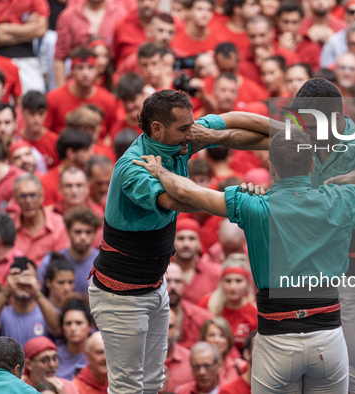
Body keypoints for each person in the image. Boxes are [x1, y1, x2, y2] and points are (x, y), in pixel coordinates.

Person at [135, 77, 355, 393]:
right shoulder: (302, 135)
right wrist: (213, 136)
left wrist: (352, 177)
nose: (297, 126)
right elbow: (252, 134)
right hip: (320, 278)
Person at [88, 89, 276, 394]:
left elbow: (236, 121)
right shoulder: (133, 167)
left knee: (153, 382)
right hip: (120, 295)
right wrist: (242, 203)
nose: (193, 132)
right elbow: (181, 199)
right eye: (185, 128)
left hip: (154, 284)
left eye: (192, 124)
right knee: (127, 387)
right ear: (157, 129)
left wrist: (291, 136)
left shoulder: (180, 136)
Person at [0, 261, 62, 346]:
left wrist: (36, 293)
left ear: (38, 284)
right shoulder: (2, 313)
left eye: (28, 277)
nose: (23, 282)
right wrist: (7, 291)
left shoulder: (46, 312)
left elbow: (58, 328)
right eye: (17, 278)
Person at [0, 0, 48, 93]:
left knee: (36, 96)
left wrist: (4, 27)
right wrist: (28, 29)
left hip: (26, 56)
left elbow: (41, 30)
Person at [44, 46, 117, 136]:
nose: (85, 73)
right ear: (72, 71)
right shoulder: (53, 99)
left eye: (90, 68)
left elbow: (112, 134)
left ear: (97, 70)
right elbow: (45, 133)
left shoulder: (109, 100)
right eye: (80, 68)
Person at [53, 0, 126, 87]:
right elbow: (60, 57)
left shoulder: (119, 15)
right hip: (79, 81)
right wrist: (62, 91)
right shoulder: (69, 16)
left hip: (109, 82)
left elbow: (123, 56)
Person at [197, 254, 257, 351]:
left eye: (238, 281)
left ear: (247, 283)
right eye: (228, 281)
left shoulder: (255, 312)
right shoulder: (205, 303)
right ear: (221, 283)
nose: (233, 287)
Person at [9, 173, 70, 264]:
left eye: (33, 195)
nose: (28, 201)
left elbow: (62, 264)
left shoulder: (59, 225)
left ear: (42, 197)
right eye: (23, 196)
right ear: (16, 199)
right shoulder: (9, 225)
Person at [38, 208, 101, 295]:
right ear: (68, 231)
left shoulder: (103, 263)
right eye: (78, 232)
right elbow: (40, 294)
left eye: (88, 232)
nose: (83, 237)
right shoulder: (50, 261)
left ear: (95, 233)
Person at [39, 128, 93, 207]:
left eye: (79, 185)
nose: (91, 154)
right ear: (70, 153)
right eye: (86, 150)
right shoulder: (47, 182)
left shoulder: (91, 175)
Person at [167, 262, 214, 350]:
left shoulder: (202, 318)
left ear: (184, 285)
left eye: (177, 281)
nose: (173, 286)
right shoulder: (146, 315)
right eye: (167, 281)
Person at [173, 218, 221, 304]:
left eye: (192, 239)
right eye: (181, 238)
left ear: (199, 243)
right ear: (172, 242)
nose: (186, 244)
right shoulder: (162, 272)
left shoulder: (216, 273)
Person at [274, 0, 321, 72]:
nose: (289, 27)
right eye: (285, 22)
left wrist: (287, 52)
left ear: (301, 22)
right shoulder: (270, 41)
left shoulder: (311, 46)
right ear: (278, 20)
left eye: (294, 22)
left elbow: (315, 75)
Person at [198, 316, 247, 385]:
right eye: (212, 335)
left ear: (228, 340)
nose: (217, 340)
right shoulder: (194, 366)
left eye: (222, 335)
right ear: (204, 338)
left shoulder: (240, 366)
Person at [19, 91, 58, 170]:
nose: (36, 119)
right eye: (32, 113)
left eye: (40, 113)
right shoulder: (17, 140)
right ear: (22, 112)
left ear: (46, 113)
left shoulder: (55, 141)